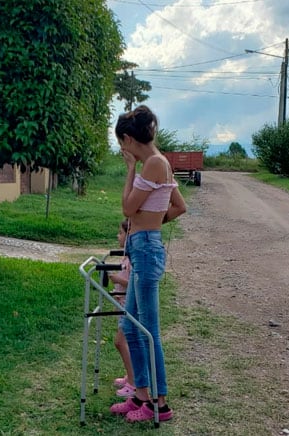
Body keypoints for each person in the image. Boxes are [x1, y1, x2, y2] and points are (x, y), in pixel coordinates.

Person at [109, 105, 187, 423]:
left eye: (121, 144)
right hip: (143, 245)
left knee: (147, 329)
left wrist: (130, 172)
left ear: (129, 139)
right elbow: (179, 205)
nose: (122, 150)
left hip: (144, 249)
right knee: (131, 326)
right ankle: (141, 395)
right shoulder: (159, 163)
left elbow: (128, 208)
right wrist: (153, 221)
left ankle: (160, 404)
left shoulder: (153, 163)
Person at [109, 219, 135, 398]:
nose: (118, 236)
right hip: (123, 304)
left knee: (120, 342)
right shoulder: (126, 256)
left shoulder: (132, 259)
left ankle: (133, 383)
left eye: (121, 233)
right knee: (126, 343)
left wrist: (117, 280)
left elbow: (133, 283)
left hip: (129, 307)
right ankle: (131, 376)